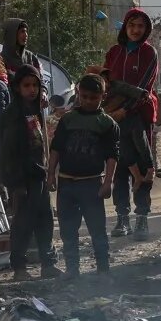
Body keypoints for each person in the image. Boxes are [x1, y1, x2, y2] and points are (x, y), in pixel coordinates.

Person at [49, 75, 119, 280]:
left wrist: (108, 182)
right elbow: (56, 149)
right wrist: (51, 175)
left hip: (92, 184)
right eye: (85, 96)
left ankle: (103, 269)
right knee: (68, 231)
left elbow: (112, 156)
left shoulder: (107, 124)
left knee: (97, 230)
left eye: (93, 98)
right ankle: (72, 270)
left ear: (102, 97)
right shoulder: (68, 120)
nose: (88, 101)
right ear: (78, 94)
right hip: (66, 183)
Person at [0, 65, 61, 281]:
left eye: (35, 85)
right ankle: (20, 268)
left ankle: (48, 263)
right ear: (17, 88)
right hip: (23, 179)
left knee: (45, 220)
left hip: (39, 175)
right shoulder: (13, 114)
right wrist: (16, 183)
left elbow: (40, 144)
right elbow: (9, 151)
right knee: (23, 224)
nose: (32, 89)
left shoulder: (35, 111)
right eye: (27, 85)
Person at [103, 8, 160, 239]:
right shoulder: (114, 52)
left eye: (141, 26)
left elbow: (144, 90)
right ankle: (122, 218)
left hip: (139, 116)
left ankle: (142, 218)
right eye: (132, 25)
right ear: (125, 27)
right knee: (120, 168)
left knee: (142, 164)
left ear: (146, 30)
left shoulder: (150, 53)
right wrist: (112, 111)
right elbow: (107, 84)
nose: (136, 30)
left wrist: (124, 111)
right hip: (113, 115)